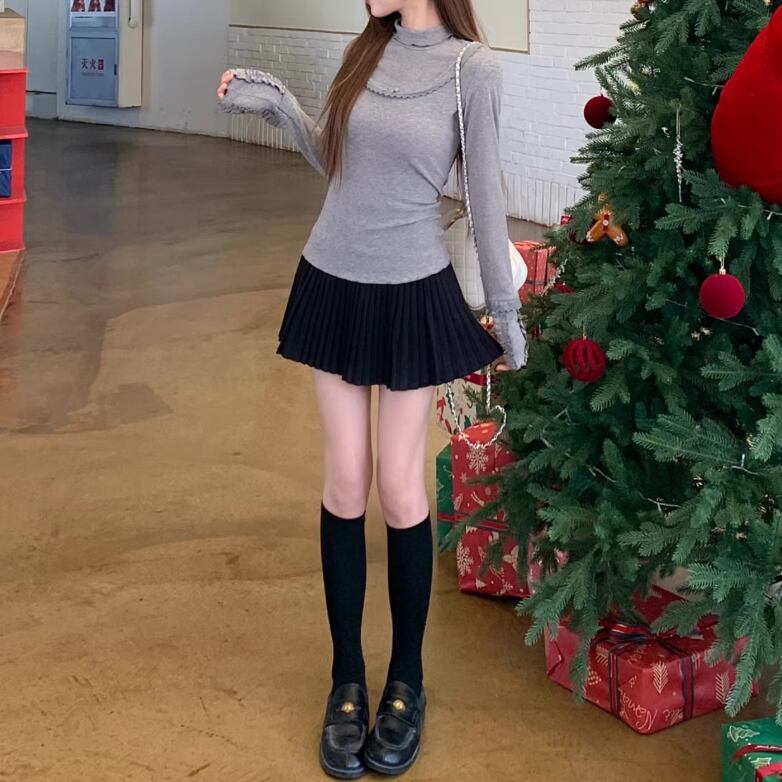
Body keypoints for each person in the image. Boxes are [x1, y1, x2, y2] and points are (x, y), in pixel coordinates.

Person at [217, 1, 528, 777]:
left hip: (411, 290)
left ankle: (407, 682)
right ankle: (347, 679)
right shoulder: (364, 51)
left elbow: (485, 199)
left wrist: (506, 313)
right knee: (346, 479)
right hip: (331, 279)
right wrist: (280, 107)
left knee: (399, 486)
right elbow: (336, 160)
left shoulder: (472, 70)